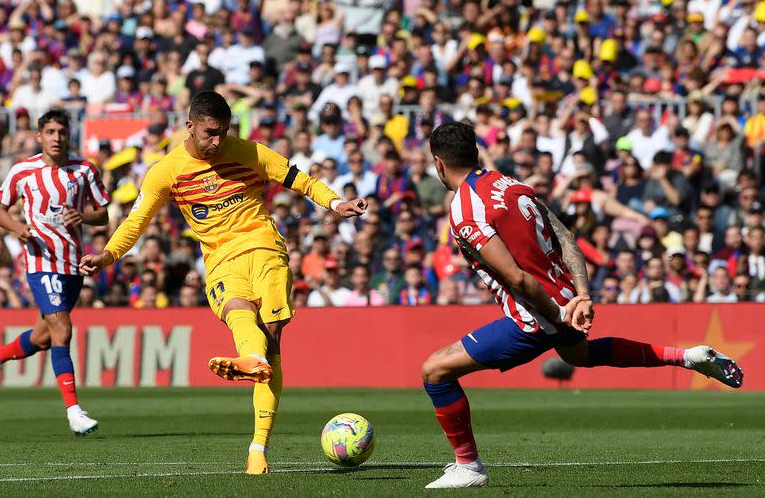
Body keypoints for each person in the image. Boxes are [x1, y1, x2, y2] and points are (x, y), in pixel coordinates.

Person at [420, 122, 745, 489]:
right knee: (579, 355)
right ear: (476, 153)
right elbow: (566, 236)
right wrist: (581, 296)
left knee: (435, 371)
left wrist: (559, 316)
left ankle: (469, 466)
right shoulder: (511, 185)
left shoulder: (466, 208)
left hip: (535, 316)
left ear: (439, 163)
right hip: (562, 300)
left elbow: (518, 279)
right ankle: (687, 357)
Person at [78, 91, 366, 475]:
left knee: (272, 335)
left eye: (223, 132)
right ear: (190, 125)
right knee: (238, 315)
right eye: (210, 133)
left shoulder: (250, 152)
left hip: (264, 246)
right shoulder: (166, 171)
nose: (217, 141)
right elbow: (136, 221)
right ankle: (253, 366)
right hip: (219, 260)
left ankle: (257, 445)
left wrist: (335, 203)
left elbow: (302, 181)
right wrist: (108, 255)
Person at [0, 109, 109, 435]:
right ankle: (74, 412)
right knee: (62, 331)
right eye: (50, 132)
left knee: (42, 337)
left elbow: (102, 214)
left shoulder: (84, 169)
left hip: (72, 264)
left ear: (68, 134)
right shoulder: (23, 171)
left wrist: (83, 217)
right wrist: (17, 227)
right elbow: (0, 209)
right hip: (39, 262)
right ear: (39, 136)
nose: (56, 137)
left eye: (61, 131)